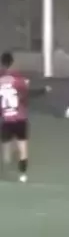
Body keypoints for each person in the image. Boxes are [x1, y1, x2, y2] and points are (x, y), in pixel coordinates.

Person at [0, 52, 40, 183]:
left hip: (7, 120)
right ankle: (22, 175)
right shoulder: (19, 80)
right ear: (12, 63)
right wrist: (44, 90)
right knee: (23, 149)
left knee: (6, 150)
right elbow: (26, 95)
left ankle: (6, 170)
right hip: (20, 119)